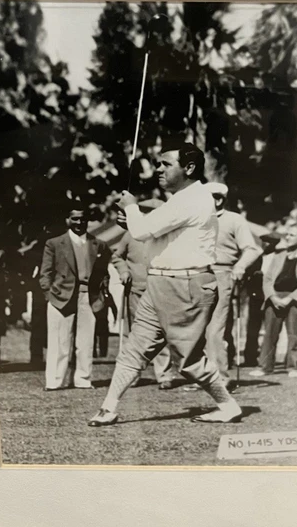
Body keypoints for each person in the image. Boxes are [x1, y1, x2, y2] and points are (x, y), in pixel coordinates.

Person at [88, 142, 243, 426]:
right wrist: (132, 219)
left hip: (186, 285)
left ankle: (228, 405)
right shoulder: (179, 200)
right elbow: (154, 237)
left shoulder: (194, 199)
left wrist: (132, 208)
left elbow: (142, 230)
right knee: (133, 349)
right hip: (161, 283)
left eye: (166, 164)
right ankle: (108, 408)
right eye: (159, 163)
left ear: (190, 168)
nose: (158, 169)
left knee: (188, 362)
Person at [39, 206, 110, 390]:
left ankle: (83, 379)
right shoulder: (54, 243)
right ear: (68, 220)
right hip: (60, 297)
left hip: (89, 297)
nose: (79, 222)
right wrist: (49, 294)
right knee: (59, 342)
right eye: (75, 218)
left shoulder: (99, 244)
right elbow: (45, 273)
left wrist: (103, 294)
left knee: (86, 341)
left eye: (83, 219)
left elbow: (103, 272)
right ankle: (55, 381)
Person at [111, 198, 176, 390]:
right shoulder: (131, 234)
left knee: (161, 332)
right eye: (145, 211)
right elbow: (117, 256)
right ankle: (131, 375)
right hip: (136, 291)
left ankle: (164, 375)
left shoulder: (168, 235)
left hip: (161, 290)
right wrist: (123, 271)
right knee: (133, 334)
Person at [204, 183, 262, 386]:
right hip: (195, 276)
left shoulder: (234, 220)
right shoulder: (195, 220)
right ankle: (200, 375)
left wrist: (240, 266)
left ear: (219, 199)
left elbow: (252, 250)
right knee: (196, 329)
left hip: (222, 275)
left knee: (215, 329)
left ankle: (219, 378)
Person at [254, 223, 297, 378]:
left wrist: (289, 299)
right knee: (269, 334)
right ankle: (264, 367)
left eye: (292, 235)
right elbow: (268, 279)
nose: (287, 238)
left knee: (294, 335)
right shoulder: (278, 255)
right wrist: (273, 297)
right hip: (275, 297)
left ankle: (293, 367)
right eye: (287, 234)